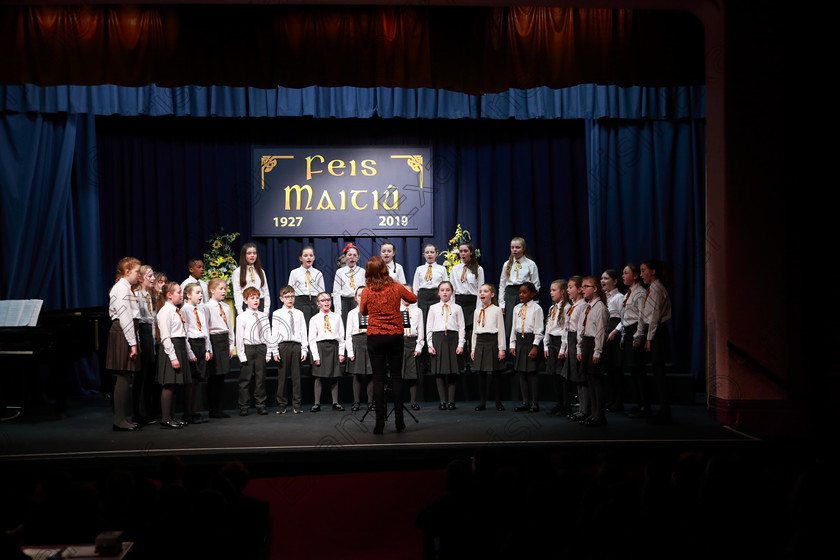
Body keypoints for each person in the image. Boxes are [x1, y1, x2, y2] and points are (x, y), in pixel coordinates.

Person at [359, 256, 418, 434]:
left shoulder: (367, 291)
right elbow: (413, 298)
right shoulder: (396, 287)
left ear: (368, 273)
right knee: (396, 377)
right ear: (385, 269)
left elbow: (363, 311)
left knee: (378, 378)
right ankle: (399, 420)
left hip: (375, 336)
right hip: (394, 336)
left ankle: (379, 423)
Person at [634, 259, 673, 424]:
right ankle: (655, 408)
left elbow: (655, 316)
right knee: (655, 371)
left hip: (657, 332)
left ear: (653, 272)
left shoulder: (657, 289)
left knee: (659, 371)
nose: (641, 274)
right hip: (652, 331)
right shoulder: (651, 289)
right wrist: (640, 335)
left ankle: (665, 410)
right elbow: (645, 315)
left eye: (644, 271)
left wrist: (649, 338)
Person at [107, 257, 143, 431]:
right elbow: (125, 317)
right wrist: (132, 343)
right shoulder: (121, 289)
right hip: (122, 332)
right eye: (137, 271)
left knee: (126, 377)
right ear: (127, 271)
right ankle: (119, 420)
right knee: (122, 376)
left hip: (126, 332)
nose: (139, 275)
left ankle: (122, 418)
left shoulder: (126, 288)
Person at [610, 264, 649, 418]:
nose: (623, 276)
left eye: (626, 273)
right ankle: (639, 405)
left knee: (639, 371)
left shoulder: (640, 293)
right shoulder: (628, 293)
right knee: (632, 371)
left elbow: (641, 318)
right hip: (629, 332)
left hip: (636, 332)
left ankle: (645, 407)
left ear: (635, 276)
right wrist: (624, 336)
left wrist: (637, 337)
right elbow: (625, 317)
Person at [156, 282, 191, 429]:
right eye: (178, 292)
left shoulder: (177, 311)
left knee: (176, 385)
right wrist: (173, 356)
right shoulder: (165, 312)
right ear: (169, 295)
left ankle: (172, 416)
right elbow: (165, 337)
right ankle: (165, 419)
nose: (181, 295)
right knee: (169, 384)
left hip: (180, 346)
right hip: (172, 348)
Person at [576, 276, 610, 426]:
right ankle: (592, 412)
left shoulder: (600, 308)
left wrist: (597, 352)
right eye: (582, 287)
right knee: (589, 380)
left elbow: (601, 332)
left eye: (585, 287)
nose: (582, 290)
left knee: (597, 382)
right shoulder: (587, 307)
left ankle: (599, 415)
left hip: (595, 345)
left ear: (595, 289)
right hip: (587, 344)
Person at [426, 281, 465, 410]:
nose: (445, 292)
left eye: (447, 290)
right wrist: (430, 344)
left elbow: (461, 327)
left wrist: (461, 344)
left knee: (452, 371)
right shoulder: (433, 308)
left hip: (452, 340)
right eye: (442, 290)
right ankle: (442, 401)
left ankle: (451, 401)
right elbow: (429, 327)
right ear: (438, 292)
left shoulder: (457, 308)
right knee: (439, 372)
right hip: (438, 339)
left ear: (452, 292)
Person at [270, 285, 308, 414]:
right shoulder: (277, 313)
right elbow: (274, 333)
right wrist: (274, 350)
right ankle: (282, 405)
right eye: (287, 297)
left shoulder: (299, 313)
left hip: (296, 345)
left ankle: (297, 405)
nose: (290, 299)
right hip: (283, 346)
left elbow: (303, 332)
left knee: (296, 377)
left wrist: (304, 349)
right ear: (281, 298)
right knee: (282, 377)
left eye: (292, 296)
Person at [236, 286, 272, 416]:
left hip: (261, 348)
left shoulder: (263, 315)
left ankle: (261, 404)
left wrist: (268, 351)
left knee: (260, 378)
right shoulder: (242, 317)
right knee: (245, 379)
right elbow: (239, 337)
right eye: (252, 298)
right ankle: (244, 406)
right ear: (245, 300)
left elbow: (268, 334)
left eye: (257, 298)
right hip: (248, 348)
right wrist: (241, 354)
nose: (256, 300)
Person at [471, 283, 506, 411]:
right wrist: (473, 348)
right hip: (480, 341)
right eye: (480, 291)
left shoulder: (496, 310)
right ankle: (482, 402)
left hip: (492, 341)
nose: (482, 294)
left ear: (492, 294)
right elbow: (475, 331)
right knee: (481, 373)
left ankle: (498, 402)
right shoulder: (477, 311)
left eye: (485, 291)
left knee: (495, 372)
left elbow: (501, 330)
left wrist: (501, 348)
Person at [308, 291, 346, 412]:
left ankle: (335, 402)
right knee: (318, 376)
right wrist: (315, 356)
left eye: (328, 300)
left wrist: (341, 353)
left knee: (334, 376)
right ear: (318, 303)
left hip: (333, 346)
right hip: (321, 348)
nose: (326, 302)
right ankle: (316, 403)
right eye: (323, 300)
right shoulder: (314, 319)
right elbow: (312, 339)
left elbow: (341, 337)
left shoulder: (336, 317)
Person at [498, 237, 540, 344]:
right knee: (510, 322)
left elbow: (535, 284)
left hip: (525, 292)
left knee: (524, 320)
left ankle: (525, 344)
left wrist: (533, 301)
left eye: (517, 247)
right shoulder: (506, 264)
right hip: (510, 294)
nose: (515, 250)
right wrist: (502, 303)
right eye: (512, 247)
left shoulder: (530, 264)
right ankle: (511, 347)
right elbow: (502, 285)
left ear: (523, 249)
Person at [510, 282, 544, 412]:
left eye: (524, 292)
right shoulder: (517, 308)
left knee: (532, 372)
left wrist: (535, 345)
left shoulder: (536, 308)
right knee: (522, 373)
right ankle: (525, 401)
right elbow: (514, 327)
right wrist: (512, 344)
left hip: (531, 341)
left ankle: (535, 402)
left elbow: (539, 329)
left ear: (533, 294)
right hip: (520, 341)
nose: (521, 295)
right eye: (520, 292)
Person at [450, 242, 483, 374]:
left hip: (472, 301)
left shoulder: (478, 269)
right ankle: (461, 362)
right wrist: (452, 306)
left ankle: (473, 361)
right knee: (461, 332)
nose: (462, 253)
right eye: (461, 251)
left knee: (471, 332)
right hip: (459, 301)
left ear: (471, 252)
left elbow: (480, 289)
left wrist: (478, 309)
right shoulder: (455, 269)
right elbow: (452, 289)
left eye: (465, 251)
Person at [181, 282, 211, 424]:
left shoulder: (200, 309)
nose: (201, 295)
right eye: (197, 293)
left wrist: (207, 348)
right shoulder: (184, 310)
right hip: (191, 344)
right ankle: (188, 413)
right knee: (191, 381)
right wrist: (189, 352)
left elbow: (205, 330)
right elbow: (185, 332)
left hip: (200, 344)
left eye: (201, 292)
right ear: (188, 295)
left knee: (198, 380)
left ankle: (194, 411)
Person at [205, 277, 234, 418]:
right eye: (221, 289)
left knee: (222, 375)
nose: (224, 291)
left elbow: (230, 327)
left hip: (224, 340)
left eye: (225, 288)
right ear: (212, 290)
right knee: (214, 376)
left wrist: (231, 344)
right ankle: (212, 409)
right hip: (213, 340)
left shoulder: (226, 307)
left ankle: (219, 408)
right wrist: (208, 348)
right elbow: (206, 329)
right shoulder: (207, 307)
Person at [133, 265, 159, 423]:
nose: (153, 279)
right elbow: (136, 321)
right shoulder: (136, 295)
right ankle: (138, 413)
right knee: (141, 376)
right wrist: (138, 342)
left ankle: (147, 411)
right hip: (142, 332)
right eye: (149, 276)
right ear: (141, 278)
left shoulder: (148, 294)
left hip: (149, 332)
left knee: (149, 375)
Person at [560, 275, 587, 421]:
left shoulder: (582, 306)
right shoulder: (572, 306)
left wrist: (578, 349)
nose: (568, 290)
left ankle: (585, 408)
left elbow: (580, 329)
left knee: (580, 377)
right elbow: (566, 328)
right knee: (575, 378)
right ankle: (581, 408)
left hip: (577, 341)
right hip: (570, 341)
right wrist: (564, 347)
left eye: (571, 287)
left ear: (579, 289)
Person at [544, 279, 571, 416]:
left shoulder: (566, 308)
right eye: (550, 290)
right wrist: (546, 345)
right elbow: (548, 327)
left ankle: (567, 405)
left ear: (562, 291)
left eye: (554, 290)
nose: (551, 293)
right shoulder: (552, 308)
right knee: (555, 374)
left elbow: (566, 330)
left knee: (563, 376)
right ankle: (559, 403)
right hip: (552, 342)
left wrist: (562, 348)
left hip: (561, 342)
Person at [601, 269, 625, 412]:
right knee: (608, 369)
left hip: (614, 335)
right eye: (601, 278)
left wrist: (616, 331)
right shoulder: (603, 297)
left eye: (606, 278)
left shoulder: (619, 297)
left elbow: (624, 318)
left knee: (616, 369)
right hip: (605, 334)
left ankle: (618, 401)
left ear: (615, 281)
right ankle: (610, 400)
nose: (602, 281)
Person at [345, 287, 373, 411]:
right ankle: (356, 402)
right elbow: (348, 334)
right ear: (355, 298)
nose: (362, 297)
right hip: (357, 342)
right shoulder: (351, 313)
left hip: (371, 342)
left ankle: (371, 401)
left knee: (371, 374)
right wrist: (350, 351)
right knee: (357, 374)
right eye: (360, 295)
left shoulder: (374, 311)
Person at [400, 284, 425, 410]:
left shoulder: (417, 311)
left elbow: (420, 329)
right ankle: (399, 401)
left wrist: (419, 346)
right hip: (399, 343)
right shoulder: (396, 309)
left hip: (412, 343)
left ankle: (413, 401)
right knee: (399, 374)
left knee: (412, 374)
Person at [288, 245, 324, 327]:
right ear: (300, 258)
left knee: (314, 326)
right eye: (305, 255)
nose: (309, 258)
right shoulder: (294, 272)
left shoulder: (318, 273)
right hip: (300, 302)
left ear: (314, 258)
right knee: (301, 326)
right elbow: (290, 291)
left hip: (314, 303)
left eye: (311, 255)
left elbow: (321, 292)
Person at [333, 243, 365, 329]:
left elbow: (365, 290)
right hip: (345, 302)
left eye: (355, 255)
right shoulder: (340, 272)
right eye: (349, 255)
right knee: (345, 326)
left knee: (357, 325)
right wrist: (338, 310)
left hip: (358, 301)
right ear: (345, 256)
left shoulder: (362, 272)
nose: (352, 257)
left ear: (358, 257)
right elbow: (336, 292)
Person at [233, 242, 270, 314]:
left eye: (254, 253)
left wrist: (266, 309)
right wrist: (240, 310)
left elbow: (266, 291)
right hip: (245, 305)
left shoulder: (260, 271)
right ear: (244, 255)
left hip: (259, 303)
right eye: (249, 253)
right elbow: (237, 292)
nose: (252, 255)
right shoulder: (238, 272)